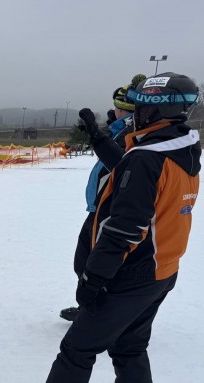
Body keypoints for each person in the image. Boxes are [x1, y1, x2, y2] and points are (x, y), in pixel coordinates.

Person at [1, 72, 201, 383]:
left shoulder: (148, 158)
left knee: (78, 347)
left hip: (132, 273)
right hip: (162, 270)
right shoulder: (179, 147)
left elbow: (125, 228)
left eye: (141, 106)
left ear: (159, 109)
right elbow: (127, 164)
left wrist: (93, 278)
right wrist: (97, 136)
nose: (135, 113)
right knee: (129, 350)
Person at [60, 74, 146, 322]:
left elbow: (120, 164)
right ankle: (91, 307)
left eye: (117, 108)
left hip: (111, 208)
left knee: (96, 265)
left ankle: (100, 315)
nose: (113, 111)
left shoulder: (135, 131)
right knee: (84, 261)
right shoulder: (122, 128)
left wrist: (98, 134)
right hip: (98, 207)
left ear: (127, 110)